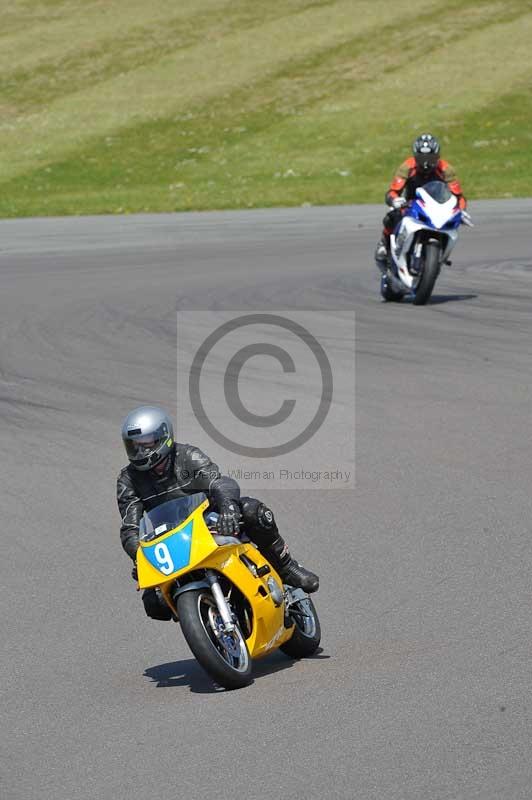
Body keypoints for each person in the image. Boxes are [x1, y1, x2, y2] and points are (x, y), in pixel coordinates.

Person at [117, 406, 319, 621]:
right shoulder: (127, 480)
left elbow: (219, 482)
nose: (140, 452)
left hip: (208, 521)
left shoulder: (186, 455)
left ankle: (286, 566)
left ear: (162, 436)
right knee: (155, 606)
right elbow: (130, 527)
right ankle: (203, 617)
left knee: (253, 511)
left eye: (145, 443)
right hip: (170, 539)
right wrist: (139, 556)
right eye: (134, 445)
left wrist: (228, 510)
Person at [375, 133, 467, 272]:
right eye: (422, 158)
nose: (426, 163)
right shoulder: (407, 167)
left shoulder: (446, 170)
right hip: (412, 203)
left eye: (430, 158)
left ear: (437, 156)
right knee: (392, 216)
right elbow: (392, 191)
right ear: (415, 156)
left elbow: (459, 197)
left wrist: (461, 210)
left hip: (437, 206)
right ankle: (384, 243)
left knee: (452, 223)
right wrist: (395, 200)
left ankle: (440, 255)